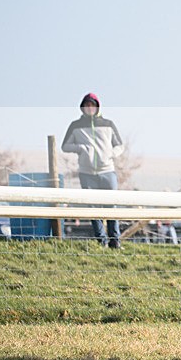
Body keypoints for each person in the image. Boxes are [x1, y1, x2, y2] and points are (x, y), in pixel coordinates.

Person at [61, 93, 125, 248]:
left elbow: (120, 145)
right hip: (87, 173)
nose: (89, 108)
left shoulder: (108, 124)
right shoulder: (75, 126)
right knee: (93, 207)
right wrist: (81, 148)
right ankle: (101, 240)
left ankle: (115, 241)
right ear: (82, 107)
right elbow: (65, 146)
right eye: (87, 105)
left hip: (107, 171)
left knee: (111, 205)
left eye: (92, 105)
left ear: (97, 107)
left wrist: (111, 154)